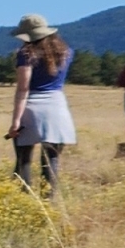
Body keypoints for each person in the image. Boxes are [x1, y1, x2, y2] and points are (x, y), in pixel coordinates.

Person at [9, 13, 75, 191]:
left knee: (24, 161)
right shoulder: (66, 52)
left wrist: (15, 121)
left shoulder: (26, 54)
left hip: (32, 107)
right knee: (51, 160)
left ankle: (25, 197)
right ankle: (49, 201)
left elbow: (23, 89)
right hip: (57, 106)